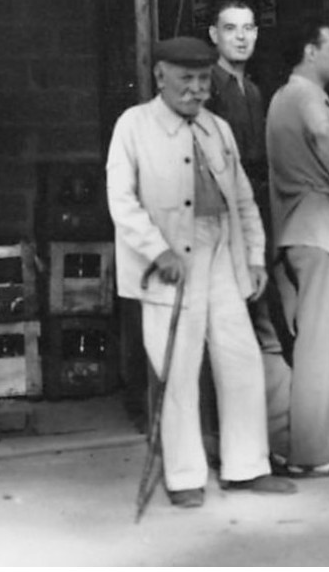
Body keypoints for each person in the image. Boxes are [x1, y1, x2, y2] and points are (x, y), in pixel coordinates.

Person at [106, 36, 294, 507]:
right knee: (178, 368)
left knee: (241, 358)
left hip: (220, 253)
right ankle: (185, 477)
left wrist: (253, 256)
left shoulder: (217, 129)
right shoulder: (134, 126)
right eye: (185, 78)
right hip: (169, 261)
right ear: (160, 77)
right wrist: (156, 251)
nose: (196, 89)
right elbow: (122, 202)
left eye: (203, 79)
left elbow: (244, 200)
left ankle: (246, 467)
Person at [265, 19, 329, 478]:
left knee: (310, 343)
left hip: (293, 233)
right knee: (324, 347)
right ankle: (314, 454)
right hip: (319, 230)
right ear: (310, 51)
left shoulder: (280, 97)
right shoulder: (307, 96)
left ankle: (297, 447)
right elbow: (325, 136)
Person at [204, 0, 295, 459]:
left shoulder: (253, 89)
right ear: (214, 35)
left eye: (248, 28)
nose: (241, 37)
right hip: (224, 221)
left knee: (261, 324)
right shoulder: (211, 88)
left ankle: (262, 441)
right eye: (231, 28)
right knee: (231, 329)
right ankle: (225, 443)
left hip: (257, 212)